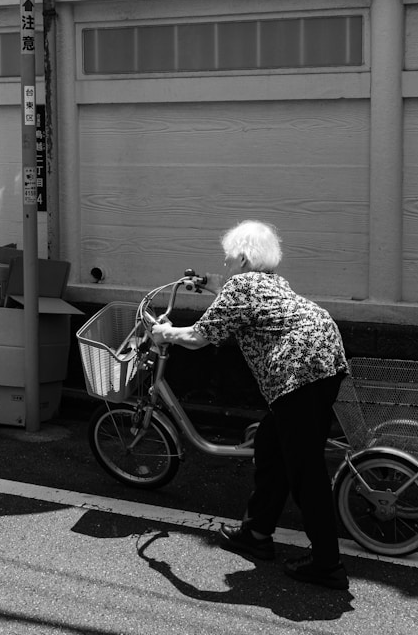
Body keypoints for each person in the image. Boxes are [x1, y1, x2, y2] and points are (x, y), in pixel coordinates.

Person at [150, 220, 351, 591]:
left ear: (242, 259)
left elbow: (198, 336)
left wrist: (165, 333)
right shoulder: (269, 282)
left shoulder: (242, 285)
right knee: (272, 447)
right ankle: (256, 533)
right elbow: (234, 299)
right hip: (323, 362)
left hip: (298, 374)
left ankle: (327, 563)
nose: (226, 267)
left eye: (228, 260)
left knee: (305, 470)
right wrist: (208, 283)